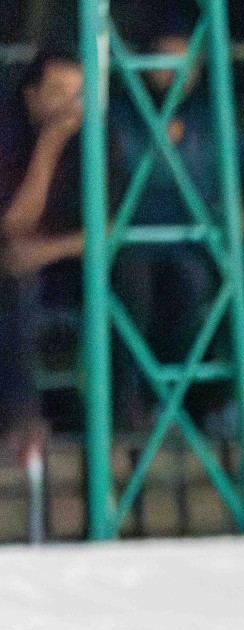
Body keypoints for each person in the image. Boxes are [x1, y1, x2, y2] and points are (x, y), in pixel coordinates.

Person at [112, 19, 244, 417]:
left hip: (200, 244)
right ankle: (143, 404)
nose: (175, 72)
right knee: (167, 285)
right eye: (164, 60)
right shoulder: (119, 118)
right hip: (134, 245)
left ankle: (238, 402)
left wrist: (239, 227)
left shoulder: (211, 118)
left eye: (186, 62)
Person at [0, 48, 83, 452]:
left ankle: (127, 415)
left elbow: (108, 229)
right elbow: (14, 225)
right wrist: (48, 147)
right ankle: (22, 418)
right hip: (16, 267)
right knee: (17, 281)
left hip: (74, 263)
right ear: (31, 96)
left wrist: (47, 252)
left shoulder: (96, 139)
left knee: (137, 275)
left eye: (76, 94)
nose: (68, 104)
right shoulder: (10, 133)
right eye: (56, 92)